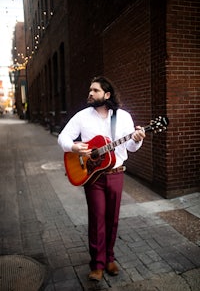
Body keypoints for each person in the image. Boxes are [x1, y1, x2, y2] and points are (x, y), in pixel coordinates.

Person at [58, 76, 145, 281]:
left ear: (107, 94)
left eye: (95, 90)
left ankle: (109, 258)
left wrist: (138, 140)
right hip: (93, 176)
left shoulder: (123, 117)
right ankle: (96, 264)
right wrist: (73, 147)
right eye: (90, 90)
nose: (90, 93)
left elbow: (130, 147)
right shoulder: (82, 117)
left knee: (112, 219)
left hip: (116, 173)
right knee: (97, 218)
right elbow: (63, 137)